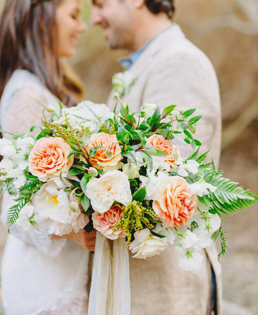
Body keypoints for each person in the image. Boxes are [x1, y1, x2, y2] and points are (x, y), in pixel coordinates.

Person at [91, 0, 222, 313]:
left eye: (99, 4)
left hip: (165, 292)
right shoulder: (145, 65)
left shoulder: (179, 63)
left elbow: (172, 181)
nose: (95, 18)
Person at [0, 0, 92, 313]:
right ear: (42, 19)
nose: (82, 27)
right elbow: (13, 209)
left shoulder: (41, 90)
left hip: (62, 271)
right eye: (73, 15)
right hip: (47, 284)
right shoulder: (28, 98)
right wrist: (76, 231)